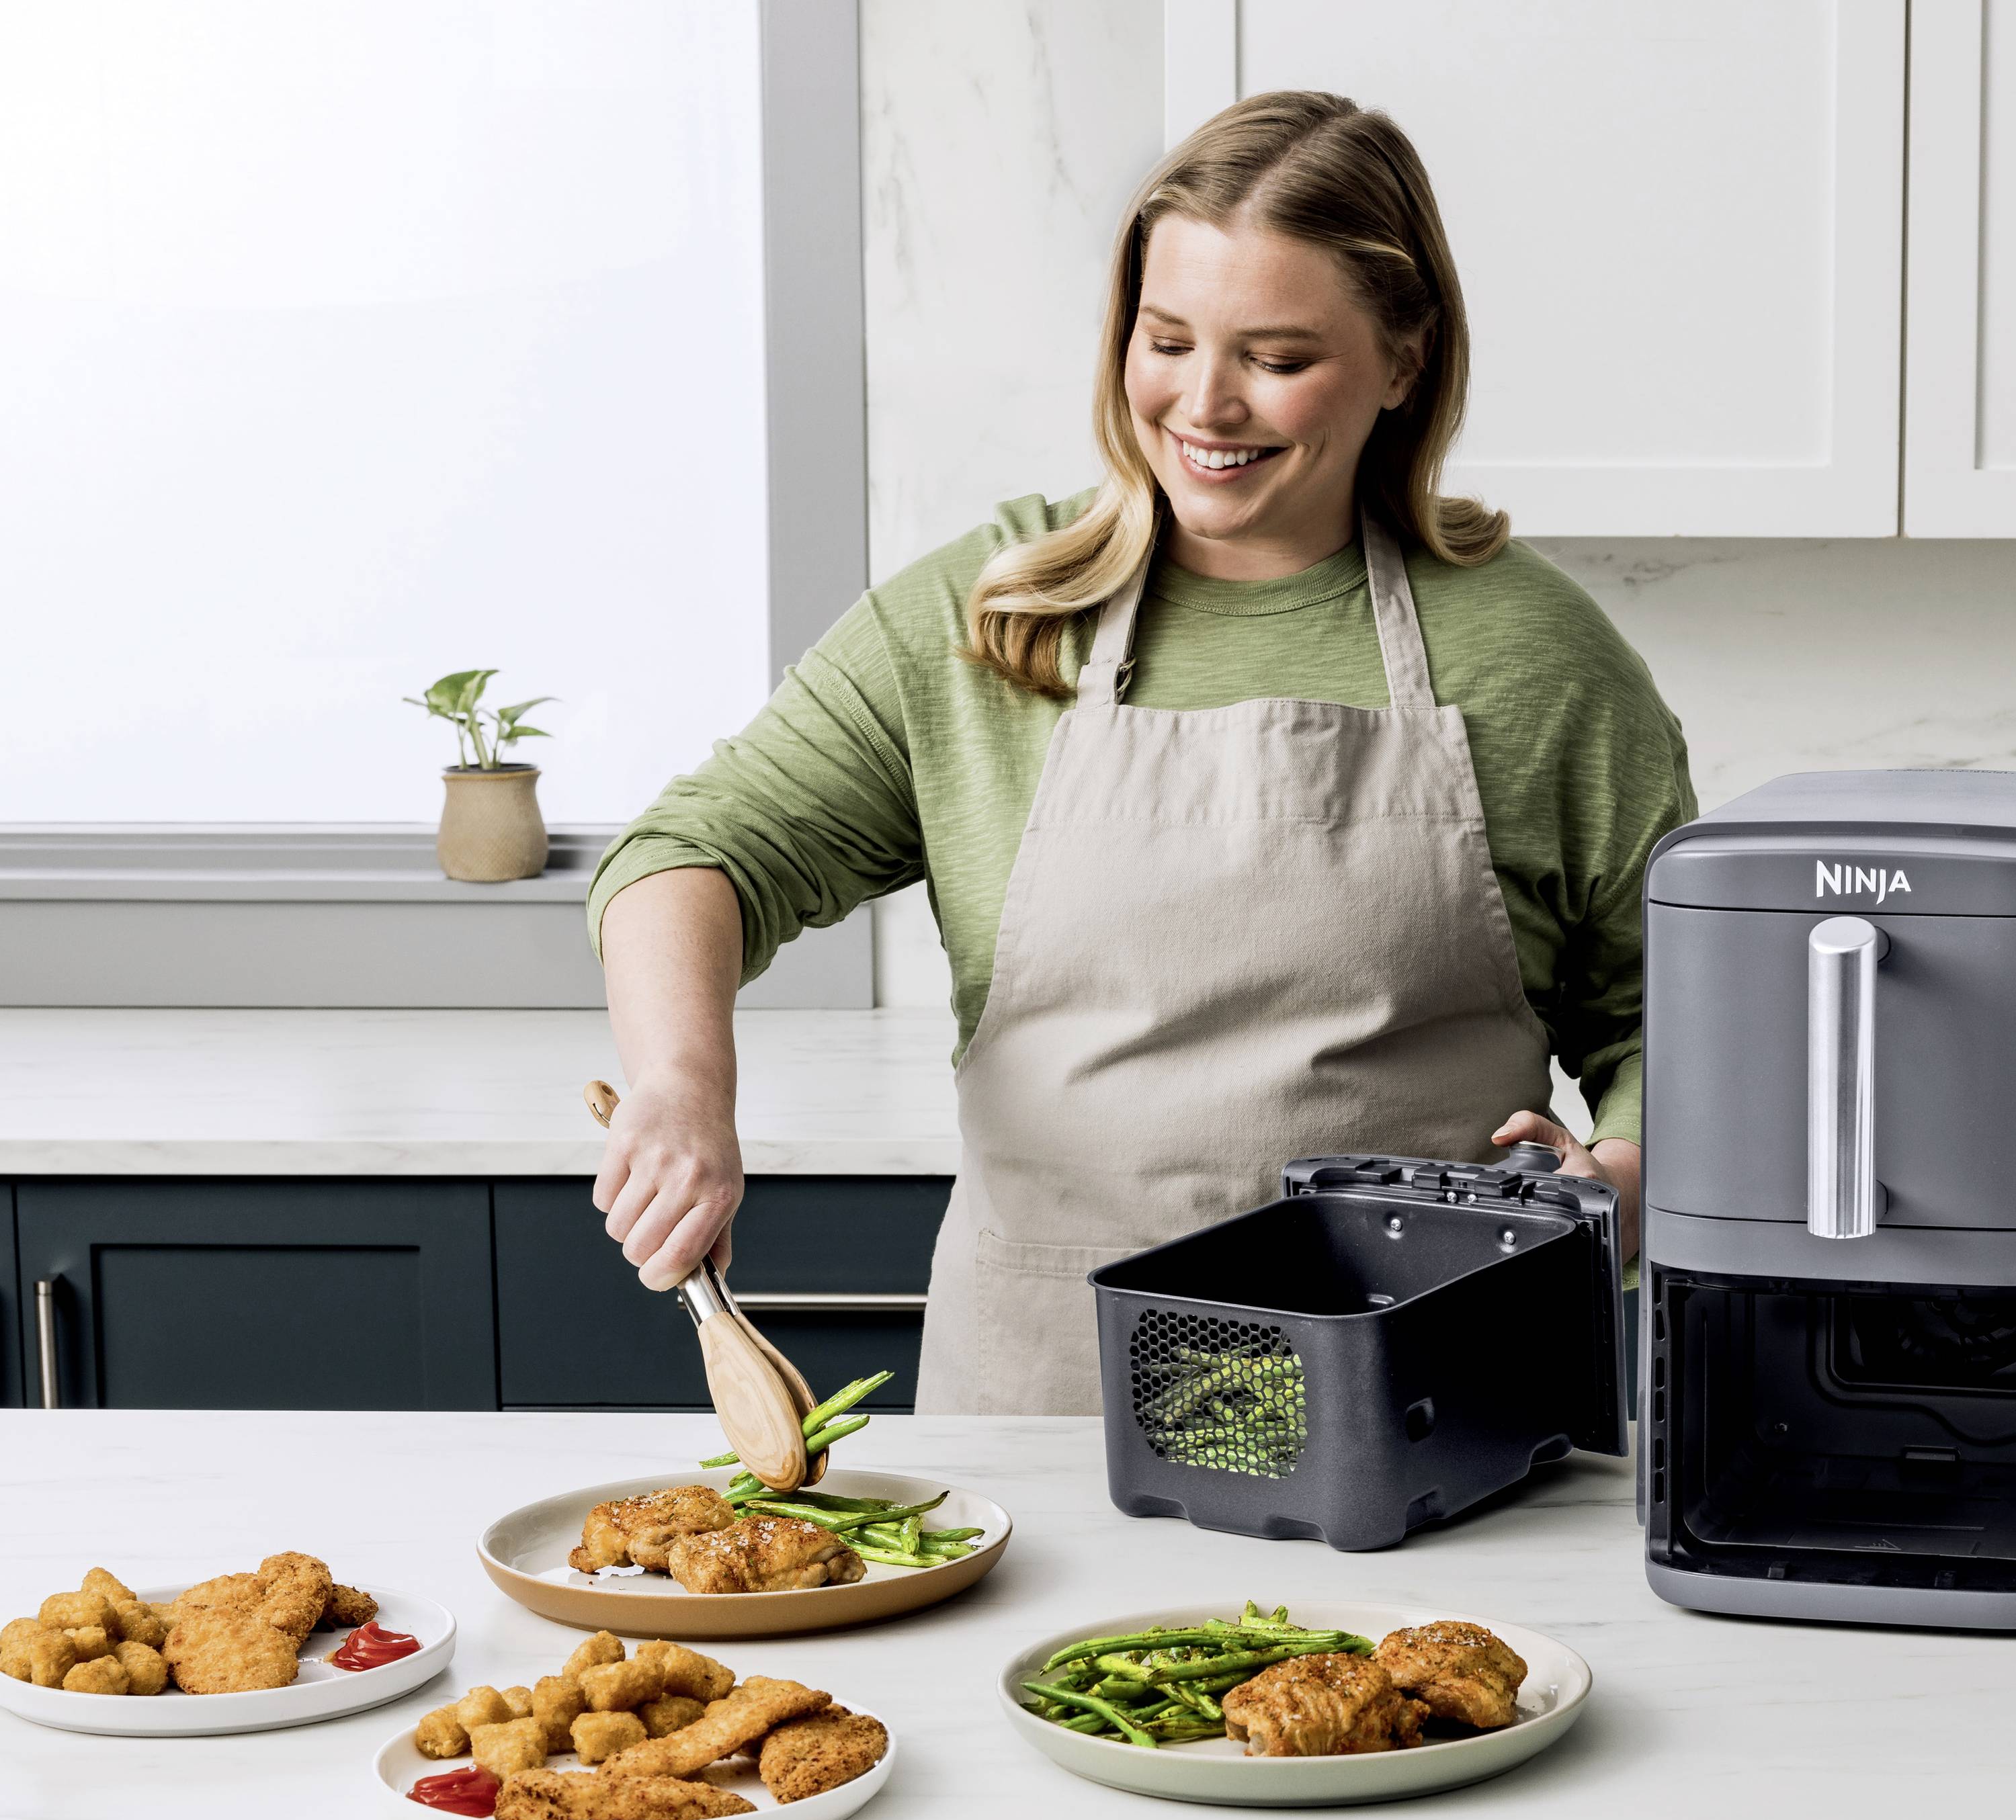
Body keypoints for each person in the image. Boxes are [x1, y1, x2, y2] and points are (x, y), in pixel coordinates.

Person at [587, 91, 1693, 1414]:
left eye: (1277, 358)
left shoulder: (1535, 655)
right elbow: (697, 851)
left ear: (1405, 360)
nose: (1204, 403)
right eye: (1166, 340)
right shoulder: (995, 623)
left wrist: (1618, 1178)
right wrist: (681, 1086)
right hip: (1048, 1420)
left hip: (1435, 1416)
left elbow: (1689, 1030)